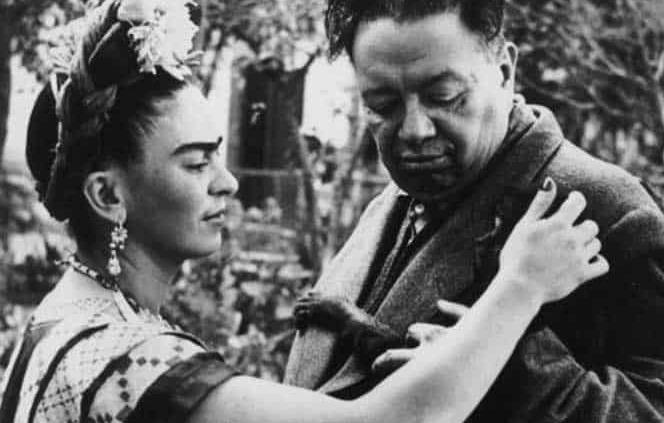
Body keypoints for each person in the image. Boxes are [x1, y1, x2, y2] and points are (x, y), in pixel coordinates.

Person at [0, 1, 608, 423]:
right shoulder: (123, 359)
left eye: (444, 95)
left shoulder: (59, 319)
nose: (229, 183)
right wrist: (520, 286)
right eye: (196, 163)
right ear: (108, 196)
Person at [284, 0, 664, 421]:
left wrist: (498, 372)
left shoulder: (604, 210)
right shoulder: (395, 201)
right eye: (383, 105)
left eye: (444, 97)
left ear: (504, 70)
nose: (414, 131)